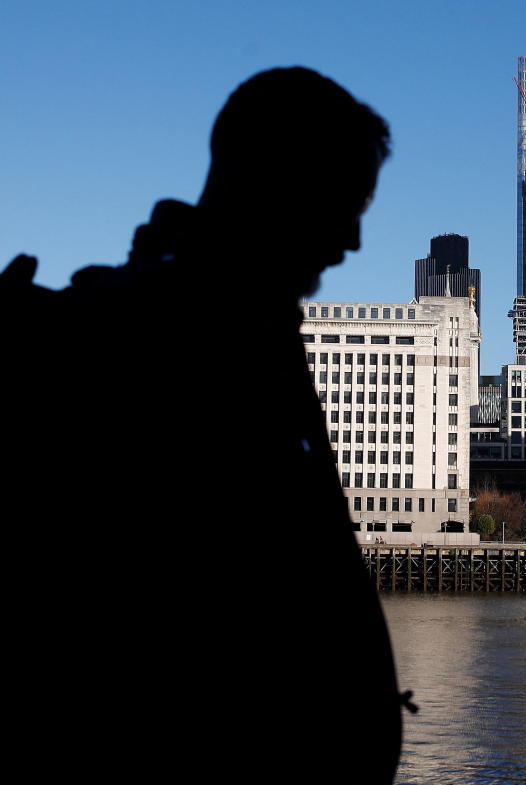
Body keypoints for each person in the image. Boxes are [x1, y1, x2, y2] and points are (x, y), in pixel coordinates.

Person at [3, 68, 402, 783]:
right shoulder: (144, 342)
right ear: (270, 180)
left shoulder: (250, 329)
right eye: (343, 201)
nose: (352, 240)